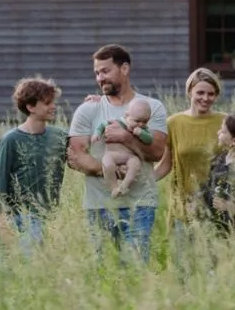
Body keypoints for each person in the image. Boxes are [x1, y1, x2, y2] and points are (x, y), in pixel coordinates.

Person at [67, 44, 168, 264]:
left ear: (124, 69)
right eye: (96, 73)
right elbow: (75, 156)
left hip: (140, 205)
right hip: (99, 205)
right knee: (101, 274)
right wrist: (110, 171)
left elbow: (157, 151)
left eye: (105, 71)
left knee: (136, 273)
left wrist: (126, 138)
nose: (100, 78)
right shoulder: (88, 109)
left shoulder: (152, 107)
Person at [151, 68, 226, 272]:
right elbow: (167, 164)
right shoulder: (174, 123)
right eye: (200, 92)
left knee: (212, 270)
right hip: (182, 206)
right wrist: (144, 180)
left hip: (215, 207)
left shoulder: (224, 122)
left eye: (211, 94)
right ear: (190, 92)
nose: (205, 98)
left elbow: (233, 164)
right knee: (182, 269)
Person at [0, 75, 69, 256]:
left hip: (50, 218)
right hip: (18, 217)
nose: (53, 106)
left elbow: (80, 156)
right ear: (31, 107)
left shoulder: (60, 137)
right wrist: (2, 222)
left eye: (53, 102)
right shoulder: (10, 140)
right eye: (47, 103)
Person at [189, 113, 235, 251]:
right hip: (215, 231)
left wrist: (229, 206)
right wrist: (197, 201)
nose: (218, 132)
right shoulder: (221, 159)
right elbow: (209, 186)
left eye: (223, 131)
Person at [92, 99, 154, 198]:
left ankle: (124, 186)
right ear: (126, 116)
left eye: (145, 122)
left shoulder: (143, 129)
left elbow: (149, 140)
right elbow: (102, 125)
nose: (141, 124)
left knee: (135, 164)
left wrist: (141, 133)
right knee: (107, 163)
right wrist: (97, 134)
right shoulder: (116, 122)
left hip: (129, 156)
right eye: (137, 121)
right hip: (112, 154)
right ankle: (113, 187)